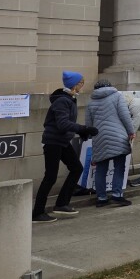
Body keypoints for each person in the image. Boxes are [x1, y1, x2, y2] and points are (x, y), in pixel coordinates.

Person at [32, 71, 98, 223]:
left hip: (61, 141)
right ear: (75, 84)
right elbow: (62, 124)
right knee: (50, 176)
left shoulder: (69, 99)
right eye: (81, 82)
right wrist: (84, 129)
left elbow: (65, 125)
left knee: (76, 168)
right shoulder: (62, 101)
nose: (82, 85)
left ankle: (61, 204)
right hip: (53, 142)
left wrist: (81, 133)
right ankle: (37, 213)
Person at [85, 79, 136, 208]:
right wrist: (131, 131)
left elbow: (88, 124)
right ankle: (117, 195)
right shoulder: (117, 96)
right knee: (119, 166)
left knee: (101, 169)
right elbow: (125, 115)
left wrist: (92, 136)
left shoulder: (91, 102)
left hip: (99, 138)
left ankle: (101, 197)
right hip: (117, 136)